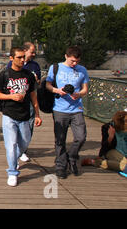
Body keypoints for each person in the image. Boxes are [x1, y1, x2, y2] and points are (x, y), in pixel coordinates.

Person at [0, 46, 42, 187]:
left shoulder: (28, 75)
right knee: (11, 146)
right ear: (11, 58)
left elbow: (33, 96)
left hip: (25, 116)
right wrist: (11, 96)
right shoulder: (4, 75)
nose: (23, 60)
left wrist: (38, 114)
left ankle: (13, 160)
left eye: (23, 57)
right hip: (9, 115)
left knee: (24, 143)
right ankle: (12, 172)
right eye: (19, 57)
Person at [46, 46, 89, 179]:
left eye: (76, 61)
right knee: (60, 139)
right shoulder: (55, 68)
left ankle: (72, 156)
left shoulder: (82, 70)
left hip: (76, 108)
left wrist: (78, 94)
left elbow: (85, 89)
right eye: (72, 61)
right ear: (66, 56)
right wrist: (57, 90)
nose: (74, 64)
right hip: (59, 108)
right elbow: (47, 85)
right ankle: (60, 165)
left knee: (81, 137)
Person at [6, 42, 41, 162]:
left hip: (29, 100)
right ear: (25, 51)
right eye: (32, 51)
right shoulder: (12, 65)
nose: (34, 54)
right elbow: (7, 80)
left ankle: (22, 150)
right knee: (14, 129)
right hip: (14, 102)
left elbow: (38, 84)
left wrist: (36, 80)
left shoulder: (35, 65)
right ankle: (16, 154)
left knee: (28, 128)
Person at [82, 111, 126, 176]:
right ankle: (96, 162)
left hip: (125, 153)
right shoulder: (107, 127)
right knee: (124, 165)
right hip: (112, 151)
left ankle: (99, 162)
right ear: (120, 122)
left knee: (124, 164)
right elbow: (105, 146)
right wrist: (111, 136)